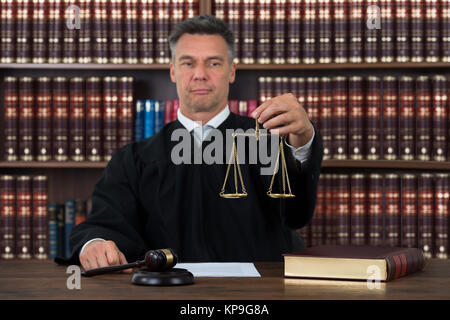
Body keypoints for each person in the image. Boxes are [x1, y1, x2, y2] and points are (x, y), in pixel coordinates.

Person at [67, 15, 323, 272]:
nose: (200, 75)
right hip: (164, 294)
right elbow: (104, 222)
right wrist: (95, 244)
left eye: (213, 63)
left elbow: (297, 214)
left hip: (255, 296)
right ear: (173, 71)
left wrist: (303, 138)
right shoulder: (133, 160)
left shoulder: (268, 144)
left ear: (231, 71)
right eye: (188, 63)